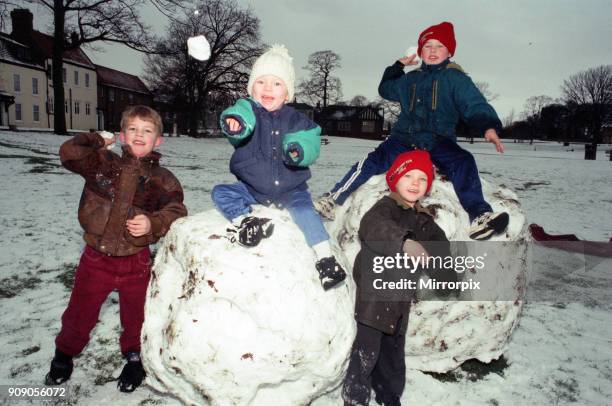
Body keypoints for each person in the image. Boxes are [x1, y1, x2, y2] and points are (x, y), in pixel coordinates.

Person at [316, 21, 509, 240]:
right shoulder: (410, 79)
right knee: (371, 161)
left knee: (464, 161)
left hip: (438, 139)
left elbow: (474, 103)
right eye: (427, 46)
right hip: (402, 138)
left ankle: (480, 215)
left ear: (449, 51)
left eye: (439, 46)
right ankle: (334, 198)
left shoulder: (456, 79)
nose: (433, 50)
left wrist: (488, 126)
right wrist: (399, 65)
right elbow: (386, 88)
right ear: (420, 51)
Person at [45, 106, 188, 392]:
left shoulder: (164, 179)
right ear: (122, 135)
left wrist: (153, 223)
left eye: (147, 131)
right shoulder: (100, 162)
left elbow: (177, 211)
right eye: (133, 129)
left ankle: (135, 359)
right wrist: (94, 140)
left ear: (157, 140)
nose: (139, 135)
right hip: (95, 259)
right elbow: (68, 155)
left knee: (136, 315)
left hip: (136, 262)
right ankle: (64, 354)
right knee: (80, 312)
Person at [211, 44, 346, 290]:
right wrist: (235, 123)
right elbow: (238, 115)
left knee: (306, 213)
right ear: (252, 88)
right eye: (261, 82)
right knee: (220, 192)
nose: (268, 89)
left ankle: (325, 259)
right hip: (252, 188)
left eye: (276, 84)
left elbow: (311, 140)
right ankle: (247, 223)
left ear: (287, 93)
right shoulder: (247, 108)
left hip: (290, 189)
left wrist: (298, 148)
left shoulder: (296, 119)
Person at [342, 150, 455, 406]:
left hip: (400, 294)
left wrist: (446, 273)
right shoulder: (386, 207)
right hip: (375, 291)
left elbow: (439, 247)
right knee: (367, 348)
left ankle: (389, 396)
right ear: (395, 179)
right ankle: (355, 397)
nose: (415, 183)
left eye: (422, 179)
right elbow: (372, 226)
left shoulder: (424, 220)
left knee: (393, 351)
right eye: (409, 176)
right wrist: (404, 242)